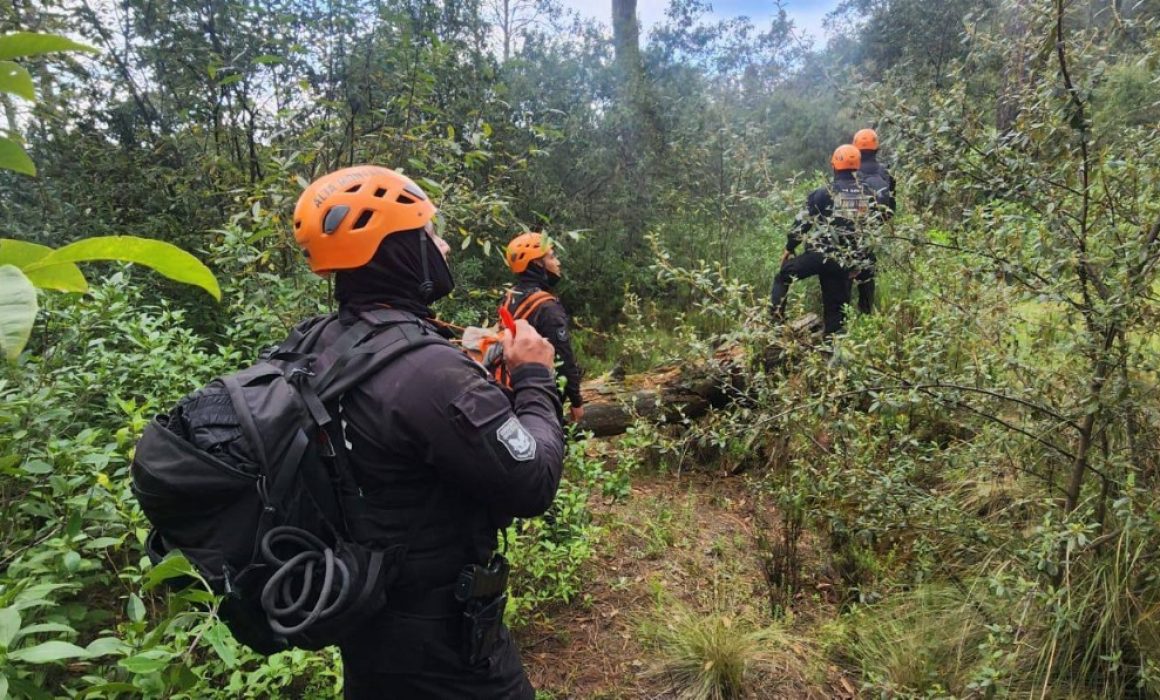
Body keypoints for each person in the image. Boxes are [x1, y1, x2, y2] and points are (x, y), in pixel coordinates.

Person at [292, 165, 565, 698]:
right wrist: (534, 376)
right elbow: (534, 480)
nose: (442, 246)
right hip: (445, 649)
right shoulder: (430, 375)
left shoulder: (315, 344)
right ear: (397, 248)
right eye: (429, 234)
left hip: (365, 622)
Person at [770, 144, 888, 336]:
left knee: (783, 276)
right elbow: (872, 228)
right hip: (844, 262)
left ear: (834, 166)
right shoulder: (868, 194)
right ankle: (833, 353)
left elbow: (802, 223)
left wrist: (790, 247)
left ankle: (774, 326)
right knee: (835, 319)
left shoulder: (824, 192)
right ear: (857, 167)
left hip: (819, 256)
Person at [501, 232, 584, 424]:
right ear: (537, 263)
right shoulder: (547, 307)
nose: (558, 262)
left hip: (512, 388)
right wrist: (577, 401)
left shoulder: (509, 297)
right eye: (552, 256)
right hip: (540, 394)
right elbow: (563, 358)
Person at [852, 127, 896, 314]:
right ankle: (866, 310)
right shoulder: (885, 172)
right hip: (874, 228)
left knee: (847, 267)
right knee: (868, 268)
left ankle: (842, 315)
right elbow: (891, 202)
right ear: (876, 149)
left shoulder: (851, 172)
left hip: (852, 228)